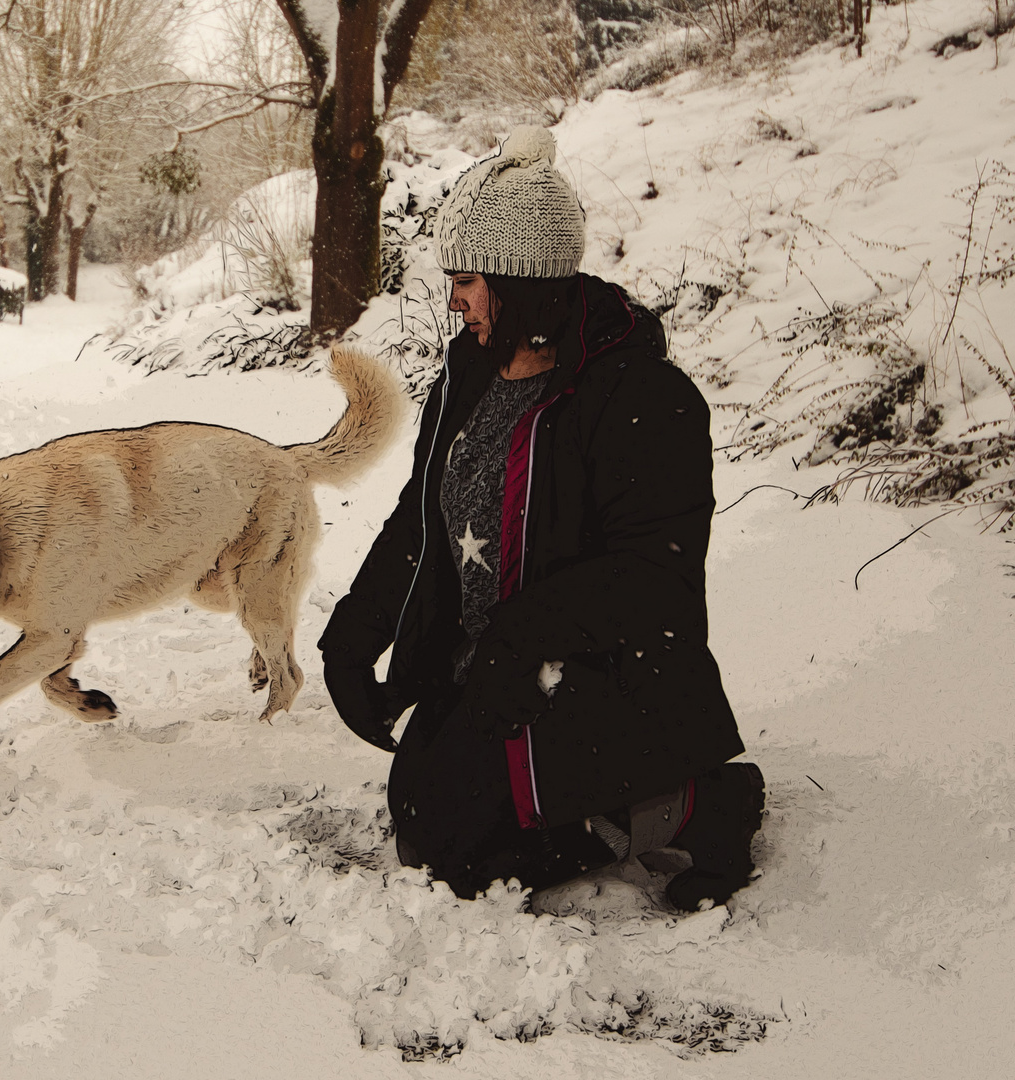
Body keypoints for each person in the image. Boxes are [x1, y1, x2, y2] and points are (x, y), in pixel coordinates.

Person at [319, 127, 763, 910]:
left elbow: (653, 579)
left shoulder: (641, 398)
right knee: (423, 819)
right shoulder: (470, 369)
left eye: (467, 279)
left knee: (468, 860)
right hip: (496, 664)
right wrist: (356, 635)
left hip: (606, 673)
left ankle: (701, 799)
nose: (454, 299)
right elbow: (422, 513)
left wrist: (521, 637)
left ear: (521, 279)